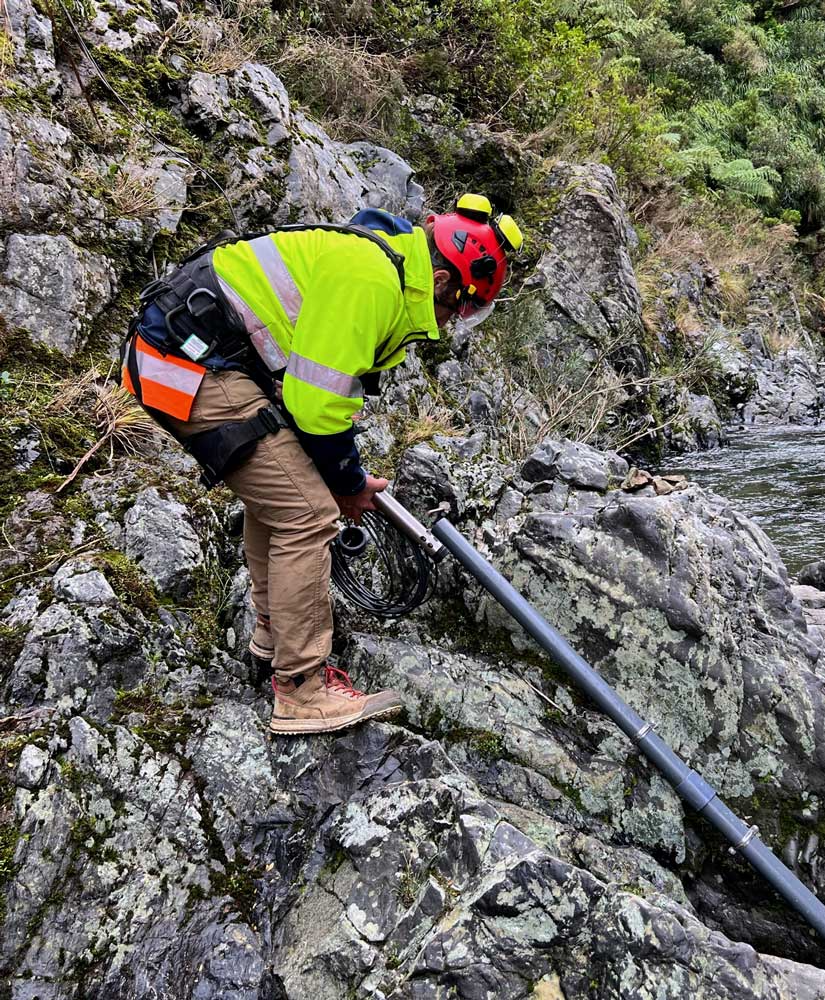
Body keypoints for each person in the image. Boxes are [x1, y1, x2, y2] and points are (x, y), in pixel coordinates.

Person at [120, 194, 523, 735]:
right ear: (447, 281)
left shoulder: (387, 264)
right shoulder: (371, 281)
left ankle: (271, 634)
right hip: (182, 363)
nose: (455, 321)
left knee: (287, 491)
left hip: (193, 356)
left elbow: (310, 393)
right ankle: (302, 689)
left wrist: (341, 475)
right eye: (462, 307)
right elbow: (316, 405)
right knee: (307, 513)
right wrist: (348, 484)